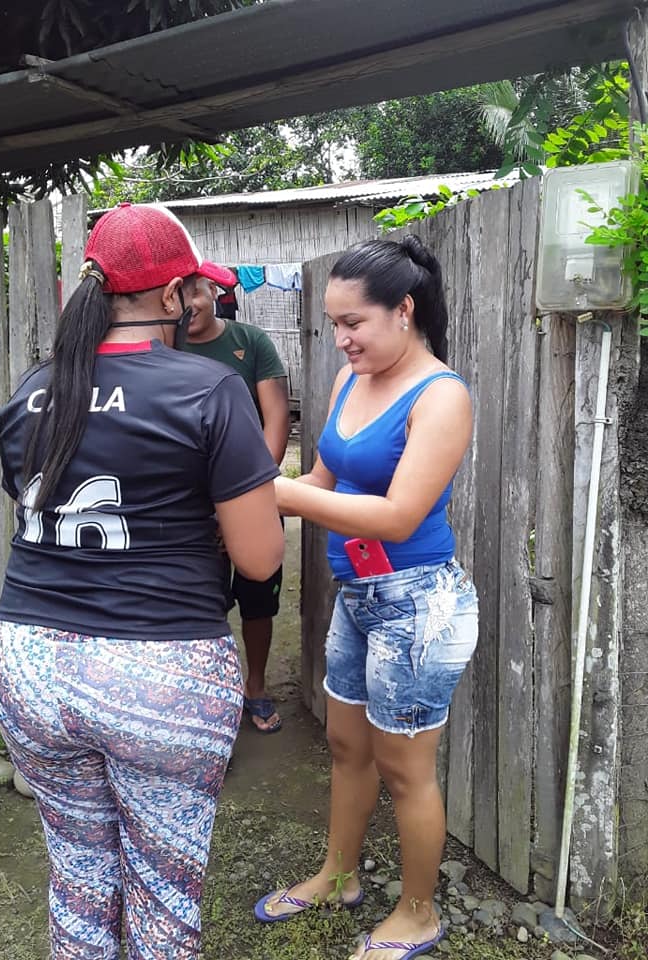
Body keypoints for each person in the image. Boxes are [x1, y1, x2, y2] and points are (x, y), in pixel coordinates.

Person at [0, 202, 285, 960]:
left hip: (28, 665)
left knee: (79, 876)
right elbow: (259, 560)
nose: (201, 300)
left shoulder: (30, 391)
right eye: (194, 288)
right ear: (171, 294)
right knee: (162, 896)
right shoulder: (208, 389)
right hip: (160, 671)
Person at [254, 236, 479, 960]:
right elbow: (323, 478)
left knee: (404, 769)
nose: (341, 339)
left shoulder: (441, 396)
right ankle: (338, 876)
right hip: (357, 594)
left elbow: (398, 516)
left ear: (403, 310)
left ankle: (419, 913)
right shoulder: (352, 380)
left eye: (353, 322)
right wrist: (257, 494)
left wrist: (280, 495)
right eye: (334, 323)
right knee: (347, 745)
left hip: (417, 606)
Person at [184, 277, 290, 734]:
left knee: (258, 596)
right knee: (200, 601)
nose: (188, 304)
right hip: (191, 505)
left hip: (253, 492)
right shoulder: (163, 345)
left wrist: (248, 498)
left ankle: (256, 685)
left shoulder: (252, 342)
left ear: (214, 292)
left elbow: (277, 418)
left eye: (196, 292)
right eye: (179, 294)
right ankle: (209, 698)